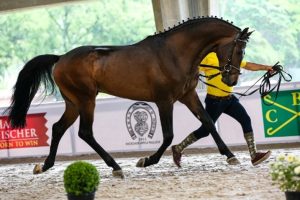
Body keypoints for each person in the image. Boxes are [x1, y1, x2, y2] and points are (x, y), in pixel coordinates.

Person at [172, 52, 272, 167]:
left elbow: (246, 65)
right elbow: (190, 68)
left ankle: (254, 155)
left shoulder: (229, 55)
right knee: (205, 130)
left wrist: (266, 68)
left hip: (230, 99)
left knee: (245, 120)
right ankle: (178, 148)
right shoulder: (208, 57)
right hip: (215, 101)